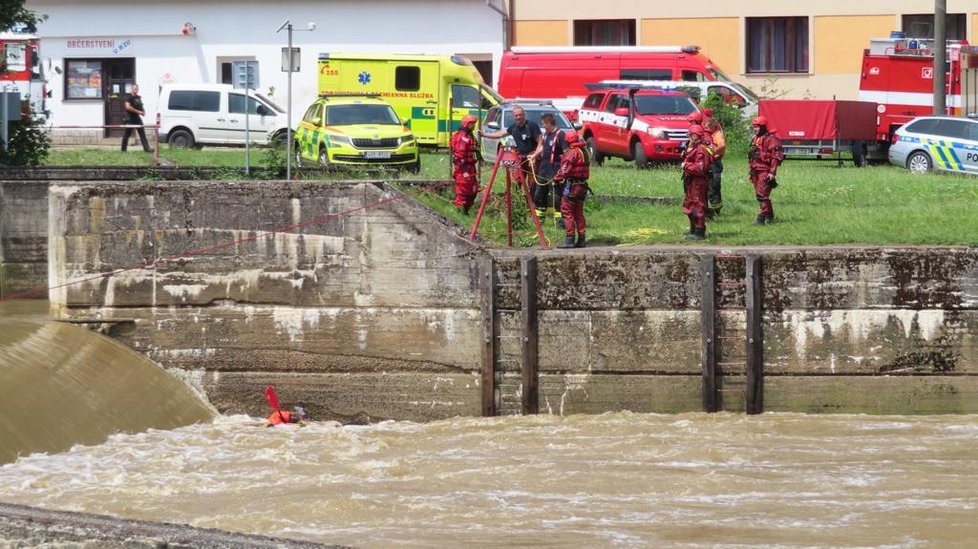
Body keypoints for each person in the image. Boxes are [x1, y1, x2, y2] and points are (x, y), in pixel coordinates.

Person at [479, 106, 542, 187]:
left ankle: (532, 199)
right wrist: (484, 135)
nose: (518, 117)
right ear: (513, 116)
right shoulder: (514, 128)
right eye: (516, 115)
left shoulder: (532, 126)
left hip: (532, 158)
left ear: (524, 115)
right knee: (516, 181)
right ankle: (516, 198)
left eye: (520, 115)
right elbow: (500, 134)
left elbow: (540, 143)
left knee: (532, 183)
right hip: (521, 158)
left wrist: (534, 156)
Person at [554, 130, 590, 249]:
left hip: (573, 187)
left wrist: (556, 178)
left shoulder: (571, 153)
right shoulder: (584, 151)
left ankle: (569, 240)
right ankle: (581, 239)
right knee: (578, 213)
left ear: (568, 141)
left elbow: (565, 170)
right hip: (583, 186)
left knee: (567, 212)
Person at [532, 113, 567, 227]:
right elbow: (543, 147)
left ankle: (560, 221)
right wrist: (533, 156)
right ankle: (539, 220)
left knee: (556, 196)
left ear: (548, 123)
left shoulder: (561, 135)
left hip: (555, 171)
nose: (542, 126)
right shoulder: (546, 135)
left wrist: (563, 170)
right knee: (539, 195)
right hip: (543, 170)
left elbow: (567, 153)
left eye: (543, 124)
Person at [748, 115, 783, 225]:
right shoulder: (755, 139)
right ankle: (770, 215)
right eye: (754, 127)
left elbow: (775, 157)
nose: (755, 129)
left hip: (765, 170)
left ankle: (761, 218)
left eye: (757, 127)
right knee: (761, 195)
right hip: (755, 170)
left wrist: (772, 172)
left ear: (762, 127)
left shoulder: (771, 140)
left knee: (761, 194)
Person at [681, 125, 711, 240]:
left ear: (696, 136)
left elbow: (699, 168)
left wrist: (686, 165)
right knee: (689, 205)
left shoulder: (701, 150)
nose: (689, 138)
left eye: (691, 136)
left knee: (698, 206)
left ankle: (699, 231)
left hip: (698, 182)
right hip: (691, 181)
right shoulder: (693, 148)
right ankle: (693, 229)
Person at [450, 114, 480, 214]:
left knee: (473, 189)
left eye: (474, 123)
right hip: (463, 168)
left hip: (470, 166)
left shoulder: (469, 136)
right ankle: (460, 211)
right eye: (472, 124)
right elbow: (459, 156)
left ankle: (466, 210)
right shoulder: (462, 138)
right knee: (462, 190)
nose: (474, 126)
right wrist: (464, 171)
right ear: (466, 124)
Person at [703, 108, 726, 219]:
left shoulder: (717, 134)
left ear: (712, 127)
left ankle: (716, 210)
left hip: (715, 163)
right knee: (710, 186)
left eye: (707, 128)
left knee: (714, 187)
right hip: (712, 162)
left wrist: (712, 153)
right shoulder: (712, 131)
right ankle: (712, 210)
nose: (705, 129)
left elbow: (722, 145)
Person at [121, 84, 152, 153]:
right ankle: (123, 150)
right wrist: (138, 111)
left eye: (137, 89)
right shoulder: (128, 97)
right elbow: (127, 107)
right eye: (135, 89)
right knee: (127, 134)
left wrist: (143, 111)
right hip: (129, 117)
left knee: (142, 133)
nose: (136, 90)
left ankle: (147, 149)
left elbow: (141, 105)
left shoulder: (138, 97)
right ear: (131, 89)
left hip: (137, 118)